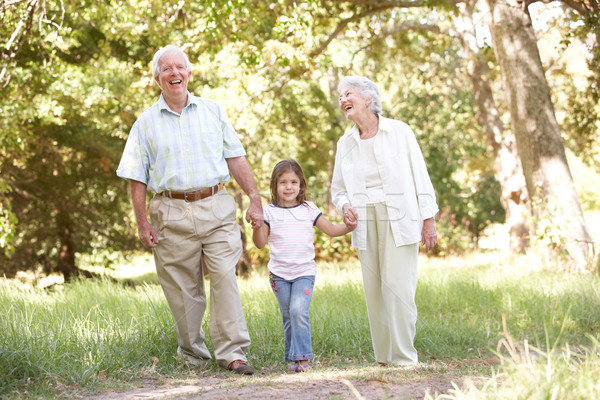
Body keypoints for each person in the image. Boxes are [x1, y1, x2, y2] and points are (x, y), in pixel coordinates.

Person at [116, 44, 263, 375]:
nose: (174, 73)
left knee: (225, 275)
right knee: (183, 289)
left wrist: (254, 196)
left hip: (216, 206)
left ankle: (233, 352)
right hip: (170, 211)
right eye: (166, 69)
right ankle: (193, 354)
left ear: (189, 74)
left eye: (179, 67)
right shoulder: (145, 123)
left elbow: (235, 157)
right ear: (157, 79)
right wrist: (142, 224)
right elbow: (136, 178)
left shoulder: (213, 111)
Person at [331, 76, 439, 366]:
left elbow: (421, 175)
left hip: (400, 216)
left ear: (368, 98)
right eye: (341, 96)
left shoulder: (399, 131)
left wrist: (428, 219)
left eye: (348, 93)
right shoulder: (346, 143)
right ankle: (384, 357)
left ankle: (404, 358)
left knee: (399, 287)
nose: (343, 100)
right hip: (365, 220)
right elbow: (337, 189)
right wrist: (344, 207)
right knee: (375, 290)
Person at [252, 159, 356, 372]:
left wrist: (349, 227)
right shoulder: (268, 212)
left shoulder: (308, 209)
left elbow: (331, 230)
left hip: (304, 273)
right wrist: (257, 224)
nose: (288, 187)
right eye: (282, 182)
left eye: (293, 182)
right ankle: (294, 360)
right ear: (274, 185)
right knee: (289, 315)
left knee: (298, 310)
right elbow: (260, 243)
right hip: (279, 274)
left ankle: (303, 359)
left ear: (300, 184)